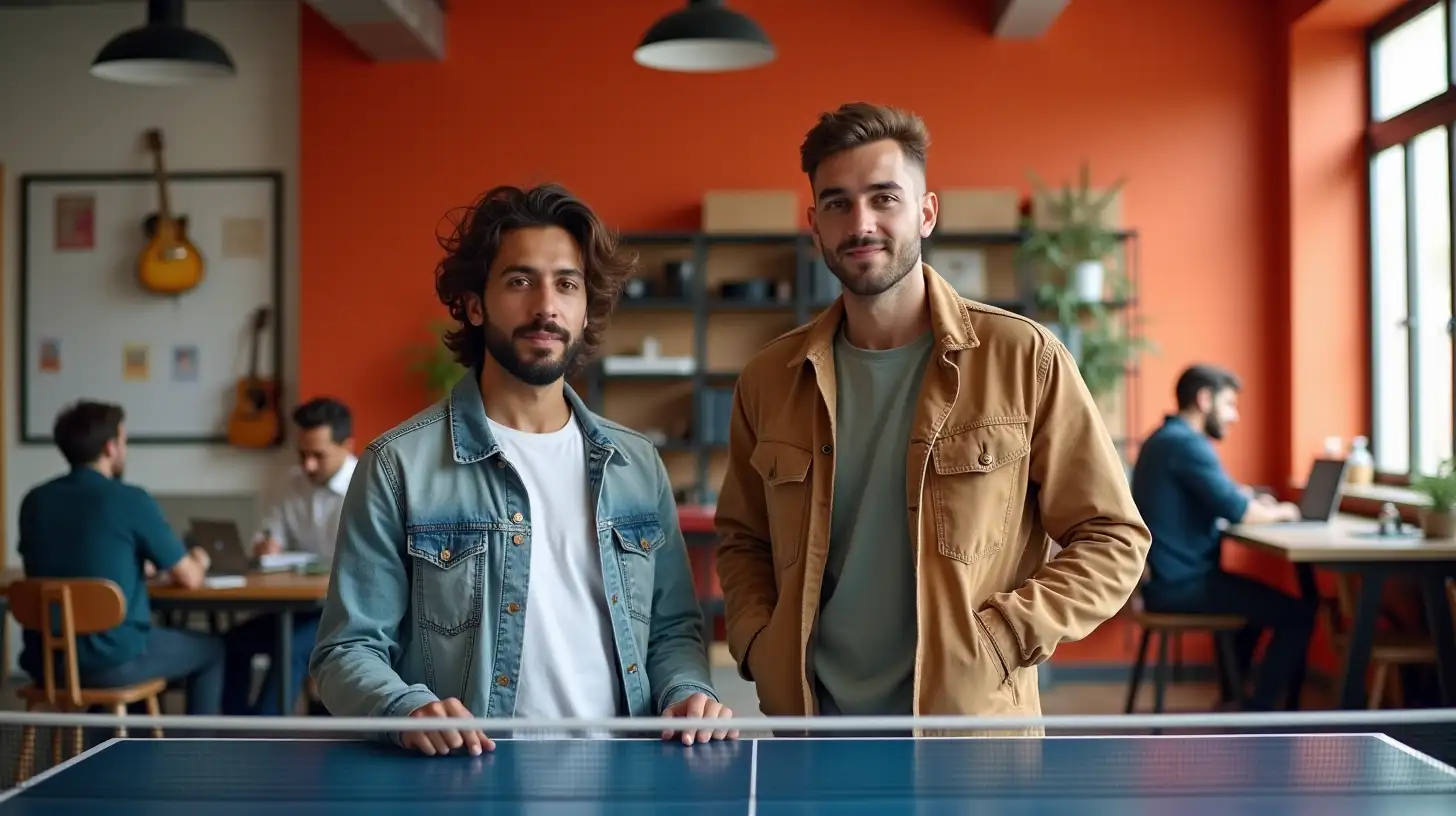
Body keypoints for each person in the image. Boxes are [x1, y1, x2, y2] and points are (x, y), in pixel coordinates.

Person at [713, 102, 1152, 728]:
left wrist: (1002, 642)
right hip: (813, 726)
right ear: (815, 224)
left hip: (969, 737)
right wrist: (760, 641)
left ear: (926, 212)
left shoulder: (1023, 358)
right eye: (837, 203)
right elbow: (743, 539)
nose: (860, 223)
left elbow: (1114, 537)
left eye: (884, 198)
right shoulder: (769, 378)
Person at [310, 183, 733, 756]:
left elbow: (672, 630)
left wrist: (686, 690)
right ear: (476, 304)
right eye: (519, 281)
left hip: (623, 776)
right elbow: (346, 649)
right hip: (467, 779)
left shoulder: (637, 465)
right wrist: (405, 706)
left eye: (566, 283)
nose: (545, 306)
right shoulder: (397, 465)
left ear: (586, 309)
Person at [17, 401, 225, 714]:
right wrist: (200, 559)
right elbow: (190, 577)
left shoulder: (34, 501)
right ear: (111, 447)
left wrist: (132, 562)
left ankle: (113, 747)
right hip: (111, 660)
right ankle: (194, 758)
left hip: (45, 662)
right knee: (212, 650)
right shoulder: (130, 500)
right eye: (124, 441)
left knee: (132, 643)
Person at [1130, 364, 1316, 711]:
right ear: (1204, 399)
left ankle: (1237, 697)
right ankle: (1260, 715)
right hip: (1182, 586)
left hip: (1164, 580)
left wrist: (1244, 497)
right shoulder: (1187, 445)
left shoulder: (1164, 440)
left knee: (1256, 607)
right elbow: (1239, 511)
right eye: (1229, 404)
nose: (1235, 415)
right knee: (1298, 614)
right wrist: (1284, 511)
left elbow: (1220, 496)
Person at [221, 397, 357, 716]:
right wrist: (265, 545)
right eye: (302, 454)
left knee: (292, 649)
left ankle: (265, 738)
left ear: (347, 446)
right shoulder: (291, 483)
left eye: (318, 456)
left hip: (344, 611)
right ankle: (232, 733)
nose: (307, 465)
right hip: (297, 606)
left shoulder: (367, 484)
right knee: (232, 642)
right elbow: (270, 534)